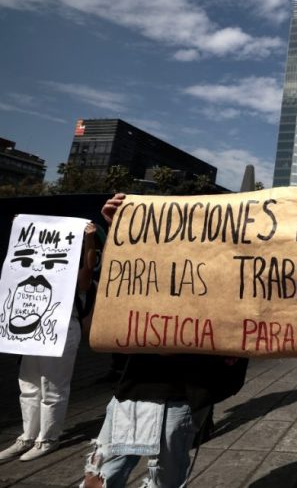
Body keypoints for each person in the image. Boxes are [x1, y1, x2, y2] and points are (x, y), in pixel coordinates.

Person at [81, 193, 248, 488]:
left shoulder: (228, 272)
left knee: (163, 481)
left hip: (182, 394)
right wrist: (121, 232)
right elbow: (111, 298)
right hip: (134, 388)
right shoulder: (152, 263)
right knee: (101, 477)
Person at [0, 222, 98, 463]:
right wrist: (20, 228)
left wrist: (89, 242)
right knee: (29, 384)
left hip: (61, 330)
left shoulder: (72, 273)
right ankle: (28, 435)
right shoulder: (30, 272)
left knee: (52, 387)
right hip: (34, 331)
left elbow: (86, 276)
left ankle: (48, 438)